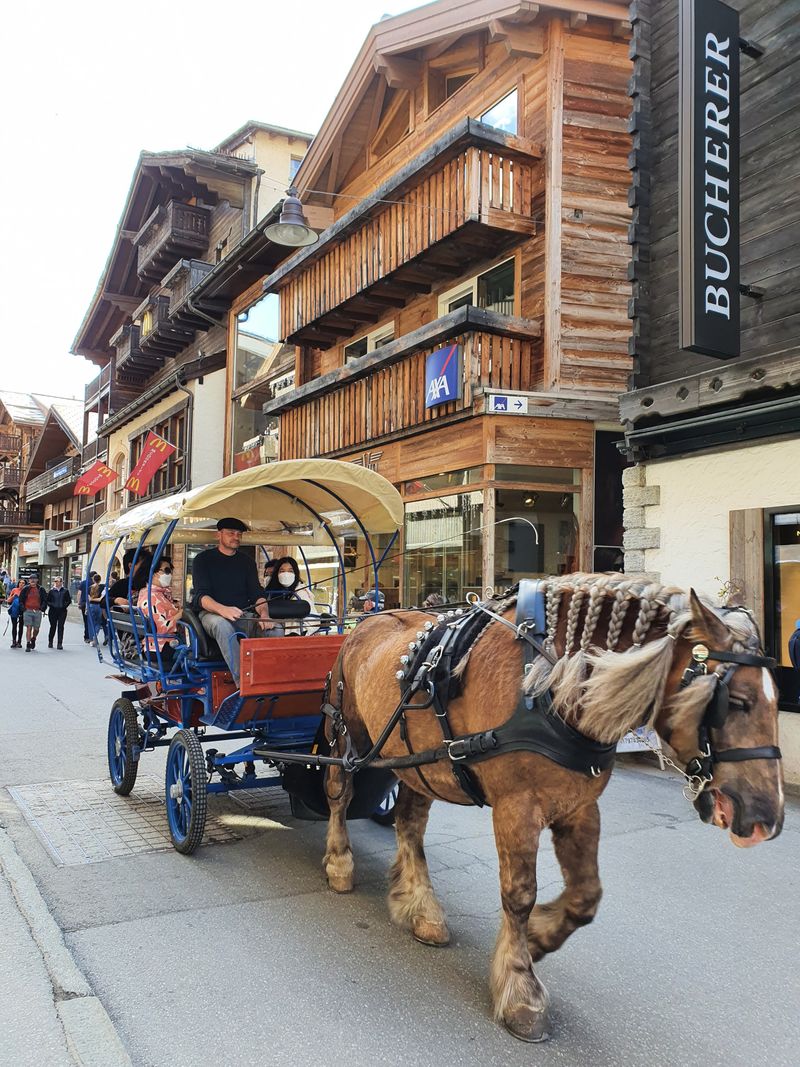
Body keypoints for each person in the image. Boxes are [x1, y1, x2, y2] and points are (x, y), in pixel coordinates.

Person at [191, 518, 275, 686]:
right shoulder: (203, 559)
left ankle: (272, 681)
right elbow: (201, 596)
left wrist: (265, 614)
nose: (236, 537)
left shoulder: (247, 562)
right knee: (222, 625)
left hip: (242, 615)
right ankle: (244, 684)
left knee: (276, 629)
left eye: (239, 534)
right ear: (218, 535)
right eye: (231, 533)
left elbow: (257, 593)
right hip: (211, 615)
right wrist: (223, 610)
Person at [137, 556, 181, 654]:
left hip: (162, 644)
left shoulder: (157, 594)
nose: (169, 575)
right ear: (153, 573)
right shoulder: (152, 597)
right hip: (161, 646)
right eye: (167, 570)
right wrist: (181, 614)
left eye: (170, 571)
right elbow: (160, 628)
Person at [264, 556, 316, 633]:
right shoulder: (271, 591)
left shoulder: (301, 591)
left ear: (295, 573)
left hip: (295, 629)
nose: (286, 574)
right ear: (277, 574)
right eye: (282, 571)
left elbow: (311, 619)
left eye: (290, 571)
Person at [20, 574, 47, 651]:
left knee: (36, 628)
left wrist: (42, 608)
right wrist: (23, 608)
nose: (33, 580)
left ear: (37, 580)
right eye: (31, 579)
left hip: (37, 611)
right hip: (27, 610)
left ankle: (33, 638)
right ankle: (28, 644)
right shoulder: (25, 589)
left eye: (34, 579)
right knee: (29, 627)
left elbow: (45, 600)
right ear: (29, 581)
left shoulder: (41, 589)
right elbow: (21, 600)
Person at [46, 576, 72, 649]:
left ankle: (59, 643)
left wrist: (64, 606)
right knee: (53, 626)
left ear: (61, 582)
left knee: (61, 627)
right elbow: (47, 600)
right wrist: (52, 605)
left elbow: (68, 600)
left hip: (62, 611)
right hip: (53, 611)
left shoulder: (65, 591)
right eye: (55, 581)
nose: (56, 583)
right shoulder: (51, 591)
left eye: (57, 581)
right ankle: (50, 641)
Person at [7, 576, 26, 648]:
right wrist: (13, 596)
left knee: (21, 626)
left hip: (22, 611)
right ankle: (14, 641)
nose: (21, 584)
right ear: (18, 584)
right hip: (14, 610)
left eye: (23, 583)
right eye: (20, 583)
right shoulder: (14, 590)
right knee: (14, 626)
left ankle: (19, 642)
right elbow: (8, 600)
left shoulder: (26, 591)